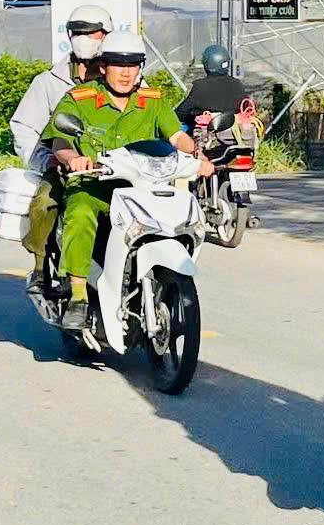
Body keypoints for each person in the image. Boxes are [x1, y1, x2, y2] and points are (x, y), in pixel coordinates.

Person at [39, 30, 212, 330]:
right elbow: (61, 143)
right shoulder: (80, 100)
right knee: (79, 213)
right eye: (118, 64)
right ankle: (78, 295)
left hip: (141, 190)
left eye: (132, 65)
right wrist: (73, 158)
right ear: (103, 66)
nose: (125, 73)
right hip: (94, 187)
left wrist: (198, 154)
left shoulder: (152, 101)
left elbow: (176, 136)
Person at [8, 3, 113, 164]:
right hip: (66, 169)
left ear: (107, 34)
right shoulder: (48, 82)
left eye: (89, 33)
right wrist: (46, 162)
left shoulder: (126, 80)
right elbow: (24, 128)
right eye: (76, 33)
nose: (82, 39)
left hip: (121, 169)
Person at [174, 43, 251, 131]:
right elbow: (245, 108)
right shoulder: (238, 84)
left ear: (206, 64)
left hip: (208, 132)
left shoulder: (200, 86)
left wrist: (194, 113)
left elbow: (180, 114)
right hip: (234, 131)